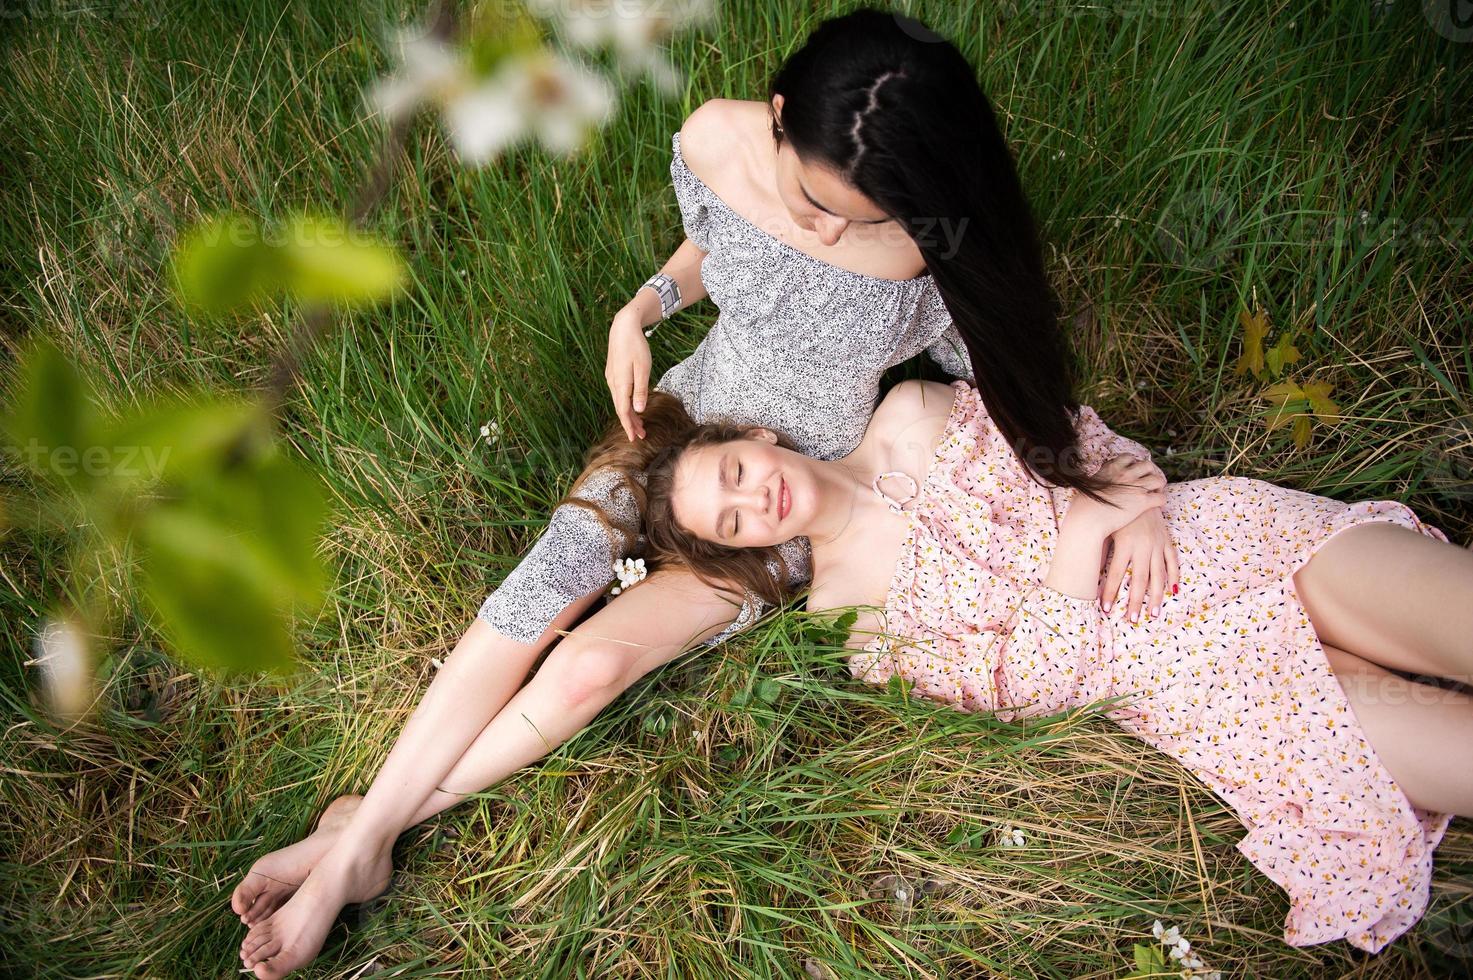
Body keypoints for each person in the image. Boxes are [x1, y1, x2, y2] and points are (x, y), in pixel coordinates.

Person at [233, 10, 1177, 977]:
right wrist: (639, 308)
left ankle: (361, 840)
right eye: (812, 197)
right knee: (542, 583)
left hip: (789, 493)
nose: (820, 228)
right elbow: (707, 250)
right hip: (695, 424)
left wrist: (1118, 490)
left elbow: (1014, 384)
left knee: (594, 669)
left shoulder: (936, 239)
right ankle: (358, 849)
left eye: (854, 216)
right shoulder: (711, 140)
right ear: (776, 118)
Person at [644, 376, 1472, 953]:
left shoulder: (914, 408)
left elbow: (1071, 431)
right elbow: (1026, 693)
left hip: (1215, 544)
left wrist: (1136, 498)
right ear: (747, 549)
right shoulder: (851, 626)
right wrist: (1082, 536)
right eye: (733, 522)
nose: (756, 501)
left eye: (736, 473)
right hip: (1195, 680)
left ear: (754, 436)